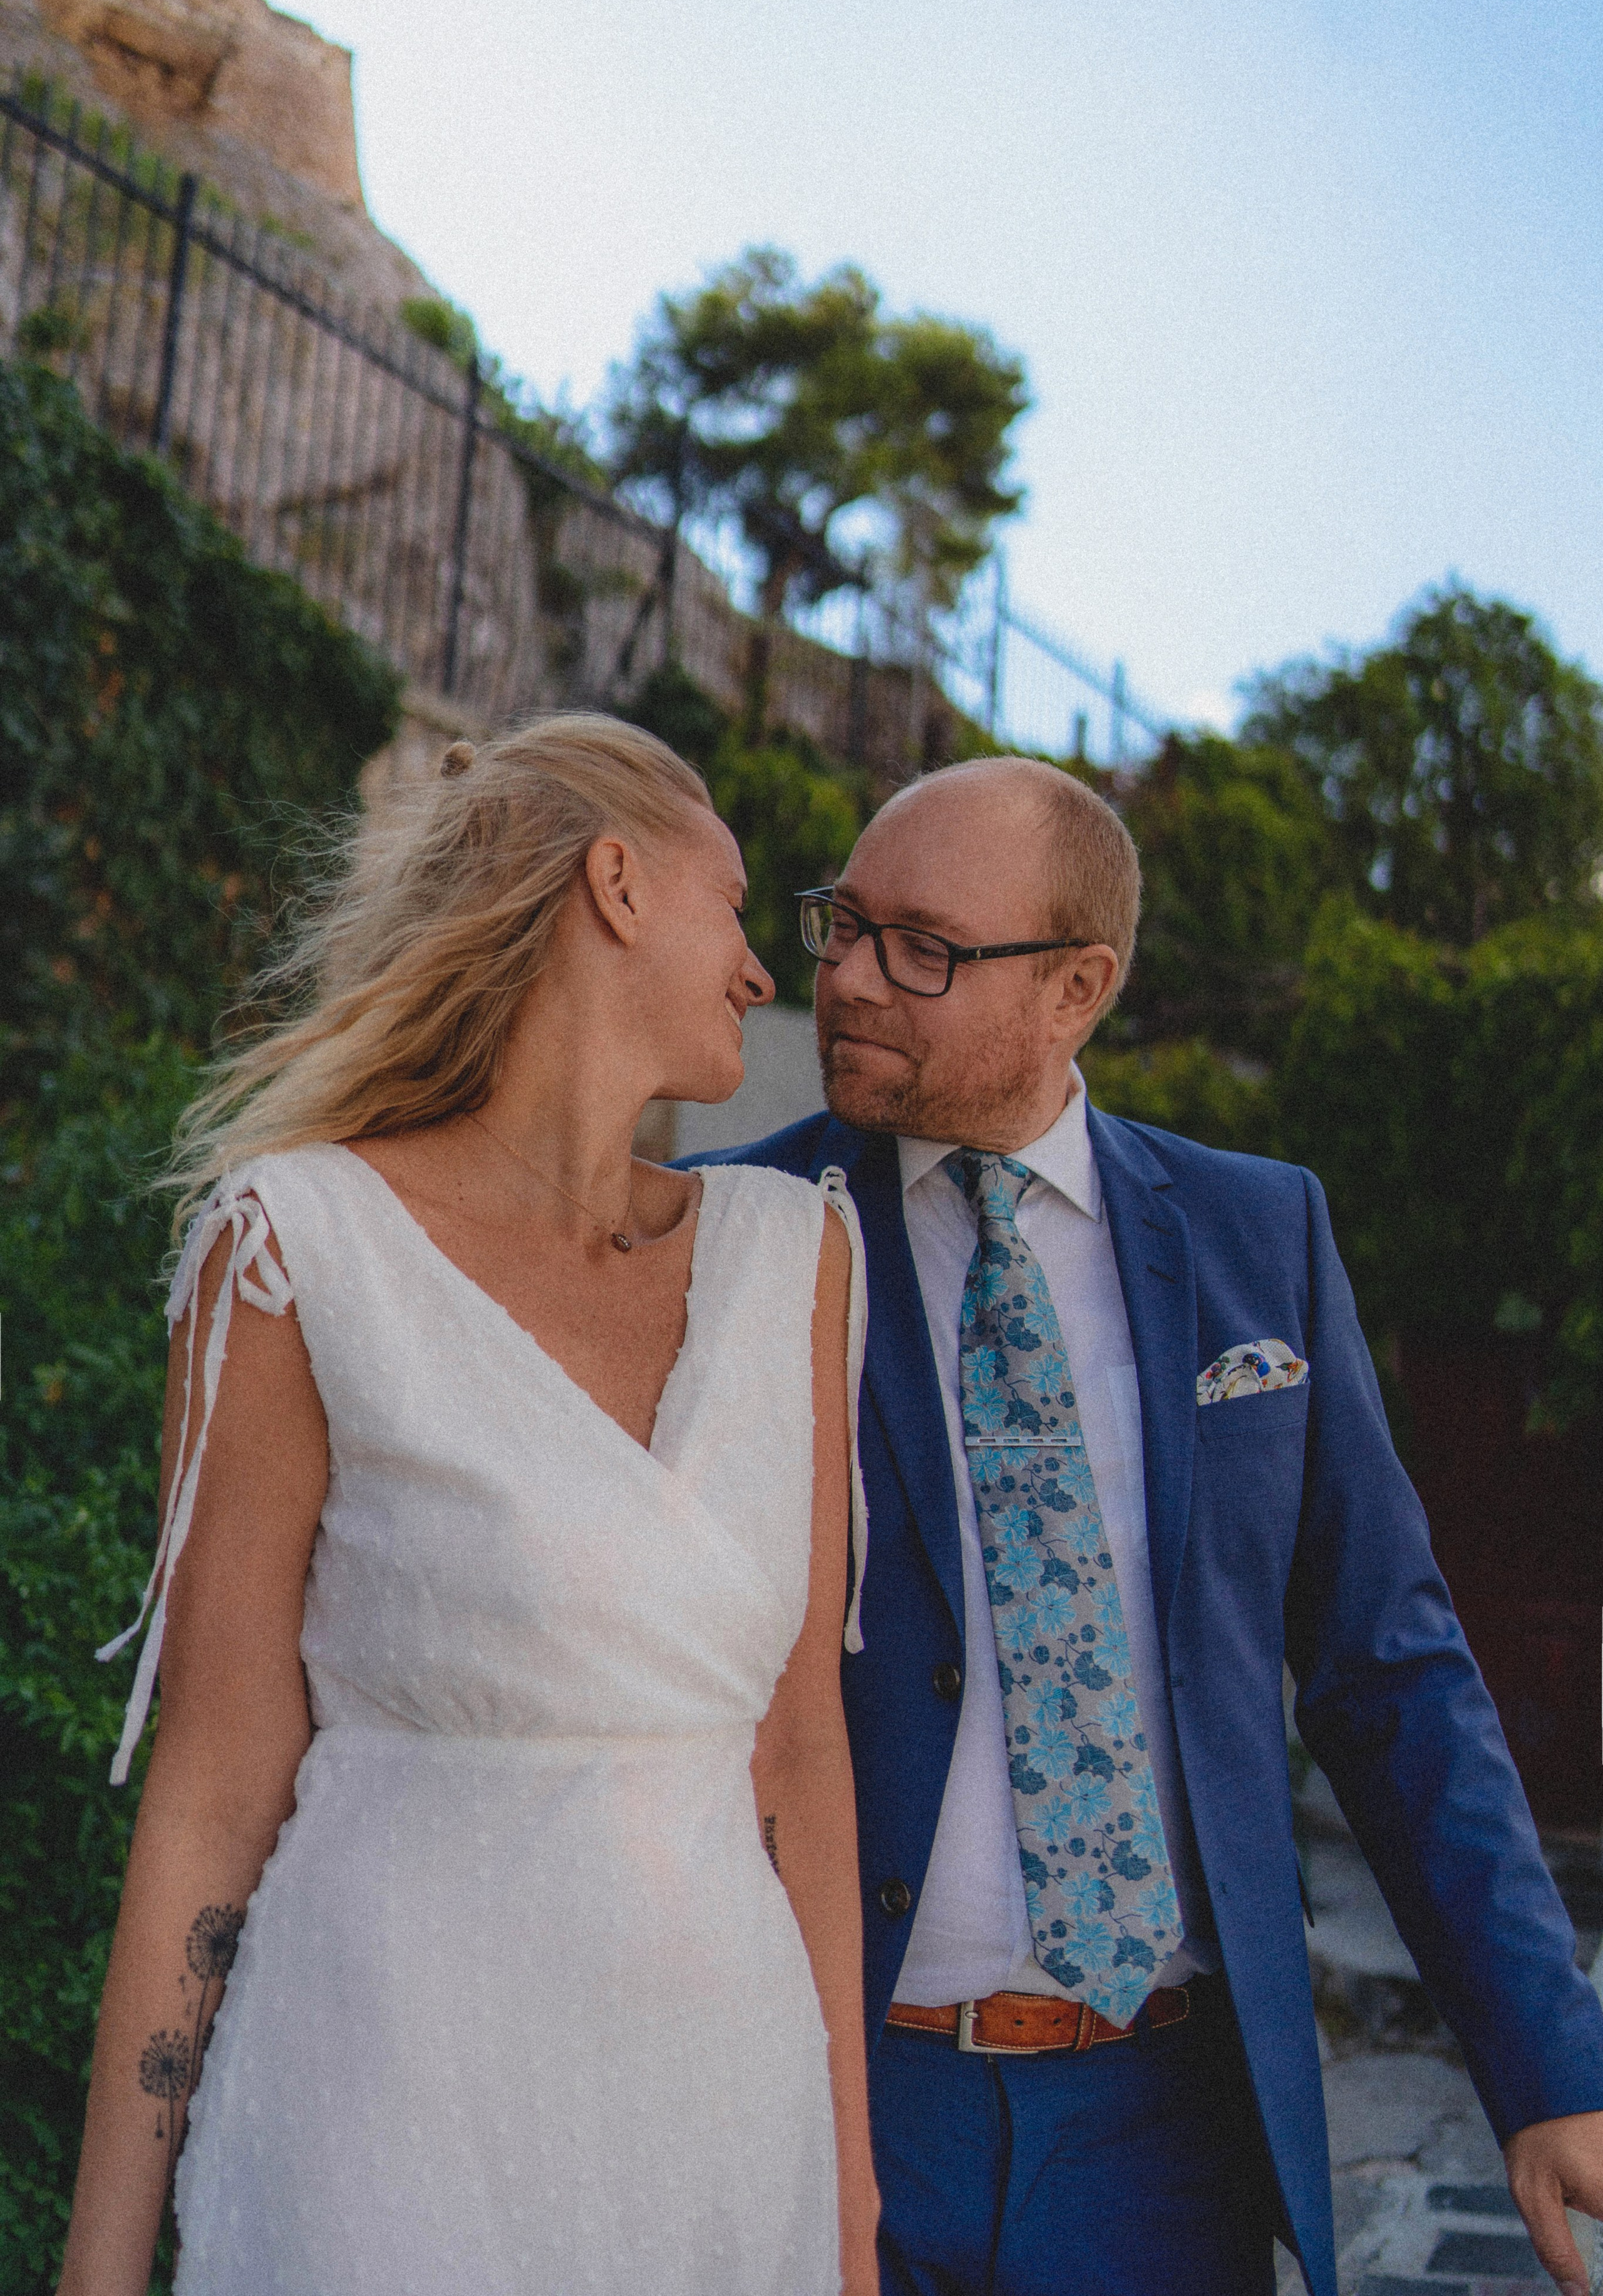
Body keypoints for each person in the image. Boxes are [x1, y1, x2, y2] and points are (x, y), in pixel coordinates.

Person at [695, 753, 1603, 2296]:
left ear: (1075, 988)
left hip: (1163, 2127)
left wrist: (1547, 2054)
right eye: (839, 923)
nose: (844, 976)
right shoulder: (731, 1231)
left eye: (919, 946)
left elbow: (1390, 1668)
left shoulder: (1260, 1237)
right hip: (828, 2100)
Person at [58, 716, 880, 2296]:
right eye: (736, 905)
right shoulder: (297, 1246)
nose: (764, 972)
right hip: (379, 2123)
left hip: (722, 2134)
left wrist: (845, 2209)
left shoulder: (797, 1259)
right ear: (617, 885)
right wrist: (99, 2269)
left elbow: (800, 1753)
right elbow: (214, 1787)